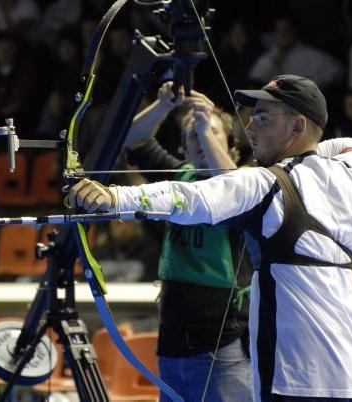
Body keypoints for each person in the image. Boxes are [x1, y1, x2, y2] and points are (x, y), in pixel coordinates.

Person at [70, 74, 352, 401]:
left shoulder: (261, 183)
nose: (251, 127)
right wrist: (305, 154)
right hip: (351, 372)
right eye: (252, 117)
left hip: (293, 378)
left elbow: (184, 198)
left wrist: (114, 199)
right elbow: (346, 144)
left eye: (263, 118)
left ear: (297, 126)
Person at [123, 81, 252, 401]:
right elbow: (134, 140)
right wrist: (164, 105)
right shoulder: (179, 177)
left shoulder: (250, 182)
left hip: (222, 344)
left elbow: (230, 186)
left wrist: (205, 127)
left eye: (210, 133)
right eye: (191, 136)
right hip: (172, 341)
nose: (199, 139)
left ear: (230, 145)